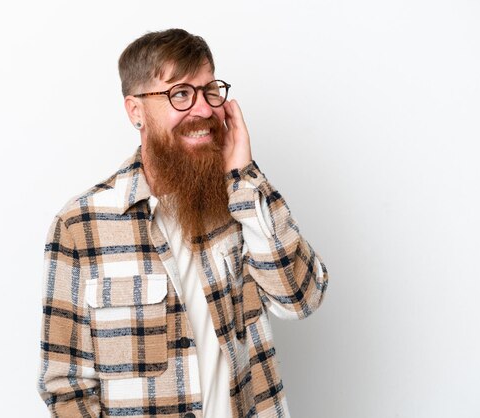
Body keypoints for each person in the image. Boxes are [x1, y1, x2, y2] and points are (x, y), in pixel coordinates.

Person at [37, 28, 329, 418]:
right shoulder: (79, 227)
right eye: (180, 94)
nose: (205, 110)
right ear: (135, 111)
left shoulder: (239, 203)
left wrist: (246, 176)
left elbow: (301, 298)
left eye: (210, 91)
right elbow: (65, 388)